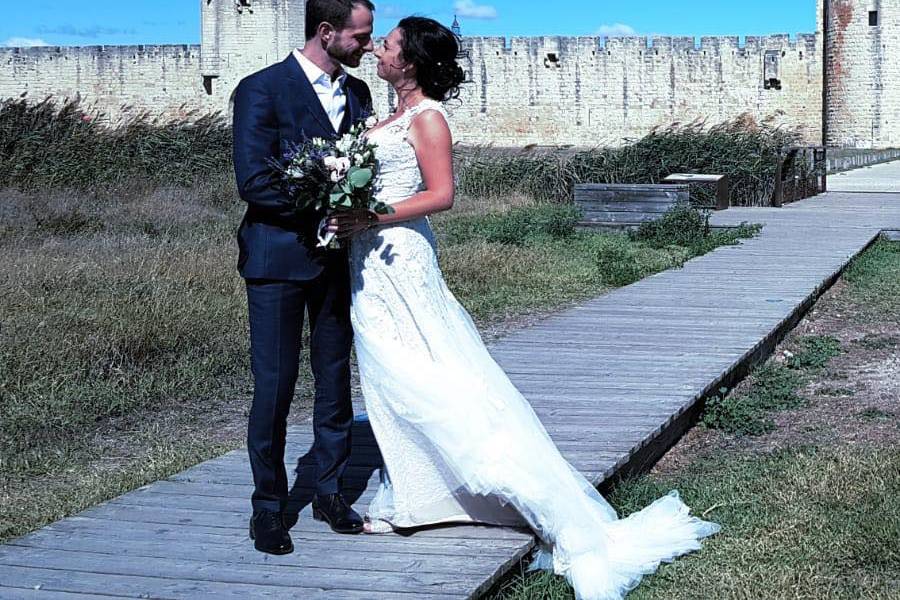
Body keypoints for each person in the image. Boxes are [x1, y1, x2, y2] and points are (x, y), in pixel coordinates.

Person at [327, 16, 721, 599]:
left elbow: (441, 195)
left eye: (386, 45)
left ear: (408, 62)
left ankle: (501, 487)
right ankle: (417, 495)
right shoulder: (380, 117)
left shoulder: (427, 117)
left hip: (401, 258)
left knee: (430, 375)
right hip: (369, 264)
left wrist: (370, 217)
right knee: (388, 378)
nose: (377, 50)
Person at [231, 0, 378, 555]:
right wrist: (324, 208)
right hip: (276, 260)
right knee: (274, 385)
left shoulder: (359, 94)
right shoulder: (261, 89)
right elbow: (254, 182)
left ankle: (330, 491)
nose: (368, 45)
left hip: (338, 261)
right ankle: (268, 507)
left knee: (336, 377)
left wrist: (357, 208)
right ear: (326, 32)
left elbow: (367, 167)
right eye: (360, 37)